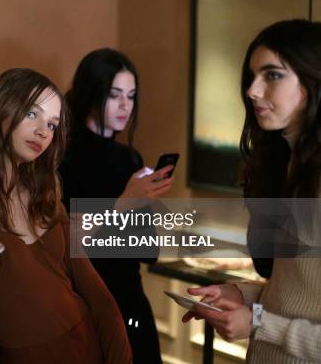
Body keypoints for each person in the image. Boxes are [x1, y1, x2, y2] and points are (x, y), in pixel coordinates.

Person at [0, 68, 133, 363]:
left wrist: (120, 353)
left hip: (90, 345)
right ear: (2, 108)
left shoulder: (44, 188)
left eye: (53, 124)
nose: (43, 131)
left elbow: (93, 288)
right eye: (32, 114)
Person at [182, 19, 321, 363]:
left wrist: (258, 321)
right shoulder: (290, 164)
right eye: (252, 76)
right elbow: (300, 296)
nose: (253, 90)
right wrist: (242, 294)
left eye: (272, 75)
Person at [59, 48, 174, 363]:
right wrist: (125, 203)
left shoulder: (130, 159)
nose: (126, 106)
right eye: (115, 95)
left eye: (132, 95)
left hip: (131, 301)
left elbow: (146, 251)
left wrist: (148, 207)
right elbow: (67, 245)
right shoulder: (62, 158)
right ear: (91, 93)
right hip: (84, 305)